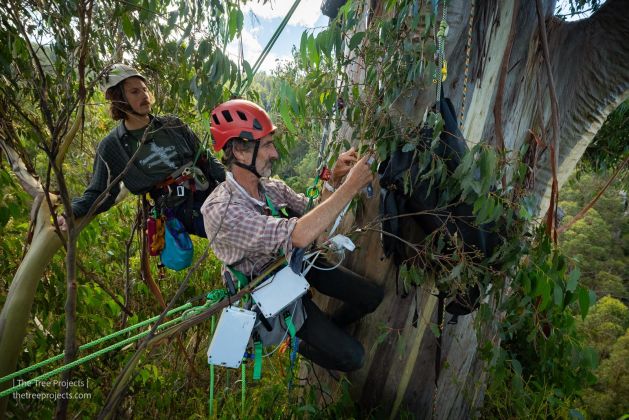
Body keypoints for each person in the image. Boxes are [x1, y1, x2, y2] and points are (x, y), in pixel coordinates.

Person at [201, 99, 383, 372]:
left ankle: (329, 330)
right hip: (269, 289)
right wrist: (352, 186)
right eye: (267, 145)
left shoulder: (270, 189)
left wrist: (332, 180)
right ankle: (303, 342)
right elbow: (298, 234)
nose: (274, 153)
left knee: (371, 297)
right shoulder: (221, 212)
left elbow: (312, 214)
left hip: (295, 262)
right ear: (239, 150)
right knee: (353, 357)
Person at [58, 63, 225, 236]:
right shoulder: (112, 146)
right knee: (238, 230)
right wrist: (72, 211)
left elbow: (205, 157)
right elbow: (100, 192)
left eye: (144, 89)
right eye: (134, 92)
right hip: (183, 209)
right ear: (119, 98)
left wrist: (233, 182)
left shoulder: (172, 124)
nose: (144, 95)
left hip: (212, 190)